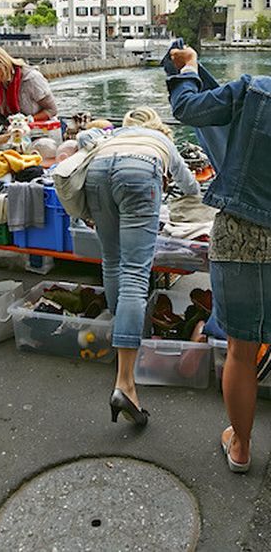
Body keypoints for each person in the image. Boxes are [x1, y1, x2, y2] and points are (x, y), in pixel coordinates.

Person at [167, 45, 271, 473]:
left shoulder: (254, 91)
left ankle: (242, 446)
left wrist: (189, 69)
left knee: (241, 352)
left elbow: (187, 109)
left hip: (243, 236)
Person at [79, 106, 200, 426]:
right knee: (135, 272)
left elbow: (84, 137)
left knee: (112, 261)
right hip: (139, 175)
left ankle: (123, 338)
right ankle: (125, 383)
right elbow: (191, 188)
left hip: (97, 172)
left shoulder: (113, 135)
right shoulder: (161, 142)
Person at [0, 44, 57, 132]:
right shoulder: (1, 82)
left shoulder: (31, 78)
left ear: (1, 65)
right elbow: (3, 113)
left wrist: (26, 121)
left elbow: (52, 110)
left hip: (39, 131)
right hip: (15, 131)